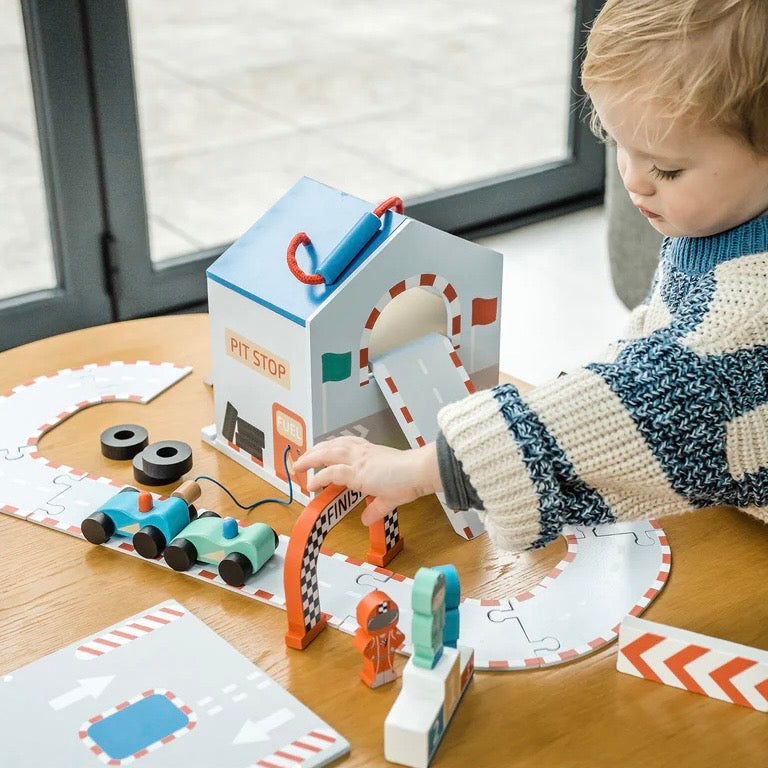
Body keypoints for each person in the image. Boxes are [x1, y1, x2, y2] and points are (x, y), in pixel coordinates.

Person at [294, 0, 768, 553]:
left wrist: (426, 468)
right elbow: (659, 348)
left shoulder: (749, 308)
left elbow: (649, 399)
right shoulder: (724, 217)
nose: (635, 181)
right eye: (617, 145)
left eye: (665, 167)